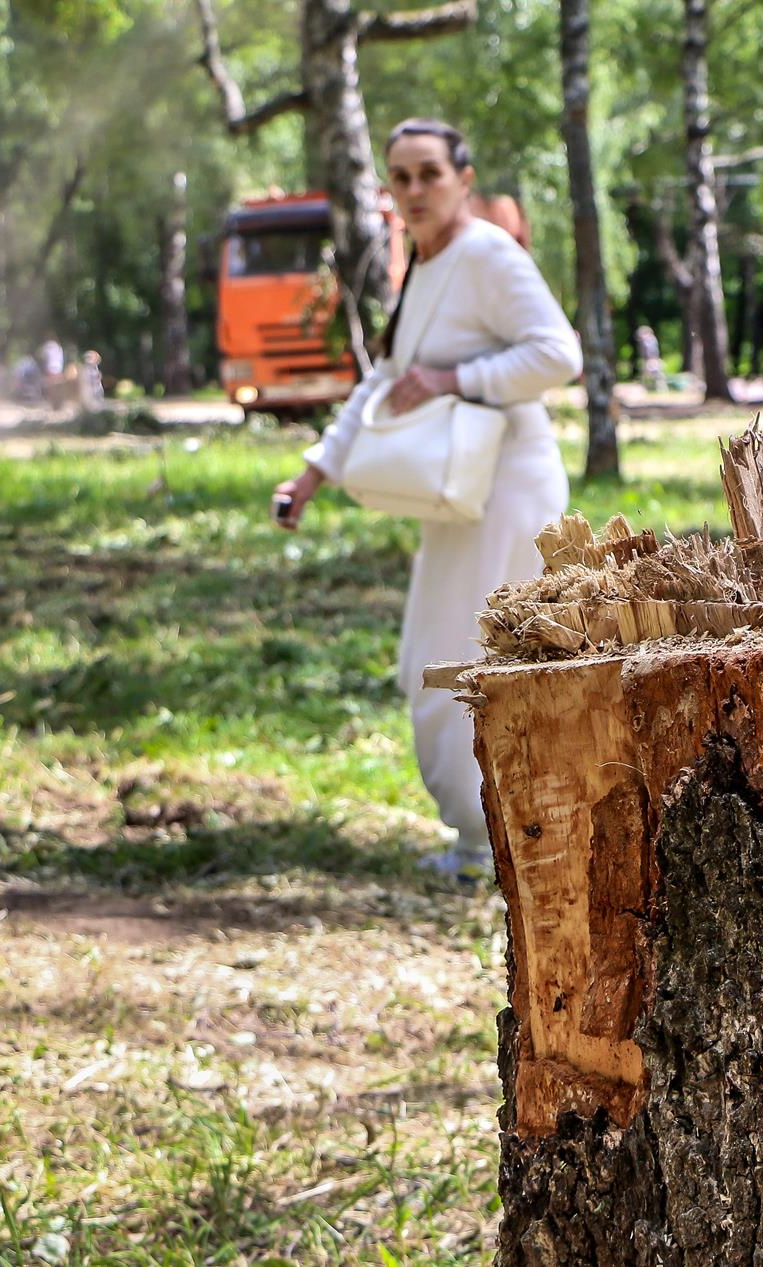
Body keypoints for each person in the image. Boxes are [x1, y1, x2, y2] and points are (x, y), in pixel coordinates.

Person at [270, 119, 581, 878]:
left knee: (476, 662)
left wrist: (454, 380)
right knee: (430, 659)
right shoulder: (428, 261)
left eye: (429, 174)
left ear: (463, 179)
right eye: (400, 177)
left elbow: (558, 354)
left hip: (506, 486)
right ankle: (482, 834)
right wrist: (313, 472)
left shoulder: (485, 253)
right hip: (456, 497)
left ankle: (499, 843)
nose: (414, 191)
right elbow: (385, 379)